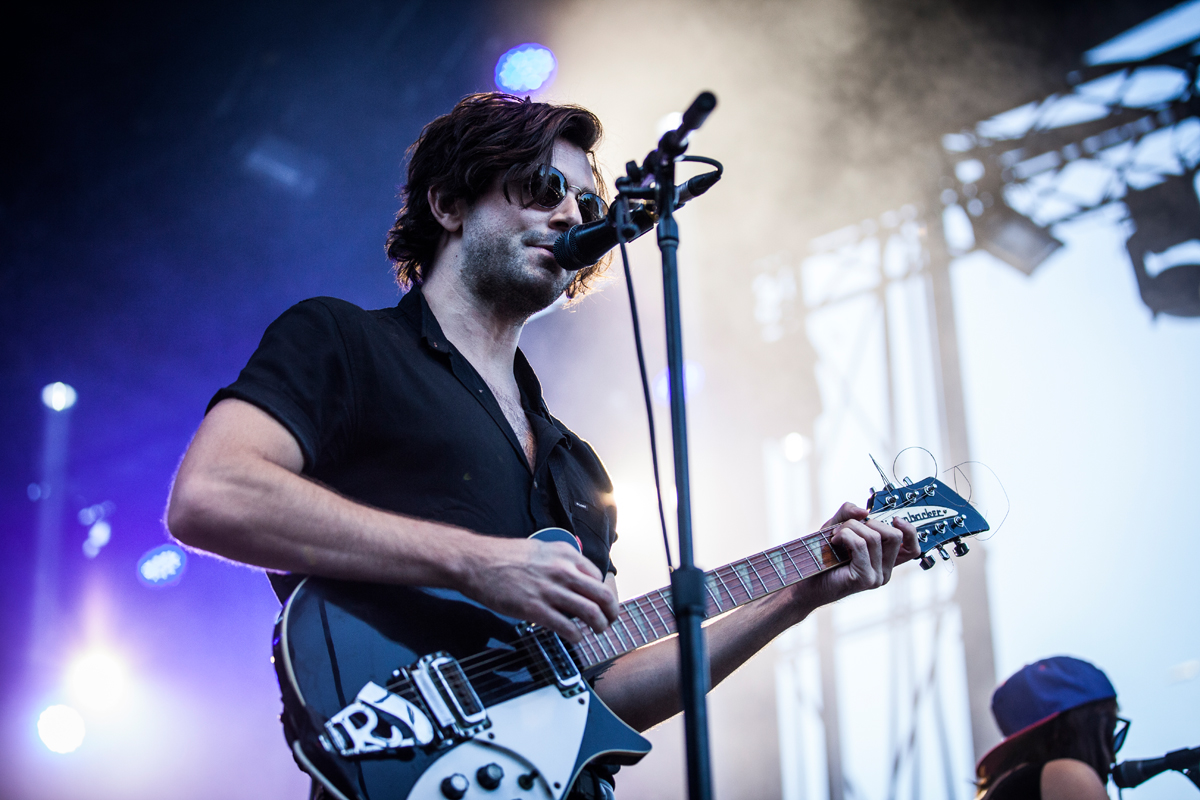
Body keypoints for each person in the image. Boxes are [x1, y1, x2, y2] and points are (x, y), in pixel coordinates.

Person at [166, 92, 919, 796]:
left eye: (587, 203)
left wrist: (797, 597)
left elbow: (594, 685)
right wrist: (476, 562)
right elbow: (212, 494)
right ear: (449, 203)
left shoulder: (577, 467)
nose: (572, 215)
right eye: (540, 188)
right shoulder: (345, 341)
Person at [975, 656, 1126, 800]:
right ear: (1072, 729)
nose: (1112, 757)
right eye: (1110, 730)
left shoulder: (1006, 786)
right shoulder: (1067, 776)